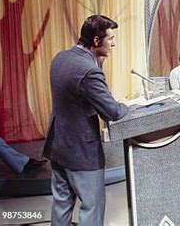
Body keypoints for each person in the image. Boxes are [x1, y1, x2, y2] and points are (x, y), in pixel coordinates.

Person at [43, 15, 129, 225]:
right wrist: (126, 105)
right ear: (97, 41)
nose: (114, 43)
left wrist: (97, 62)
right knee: (92, 207)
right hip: (81, 151)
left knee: (62, 204)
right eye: (110, 39)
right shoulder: (89, 71)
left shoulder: (61, 58)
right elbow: (113, 111)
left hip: (58, 146)